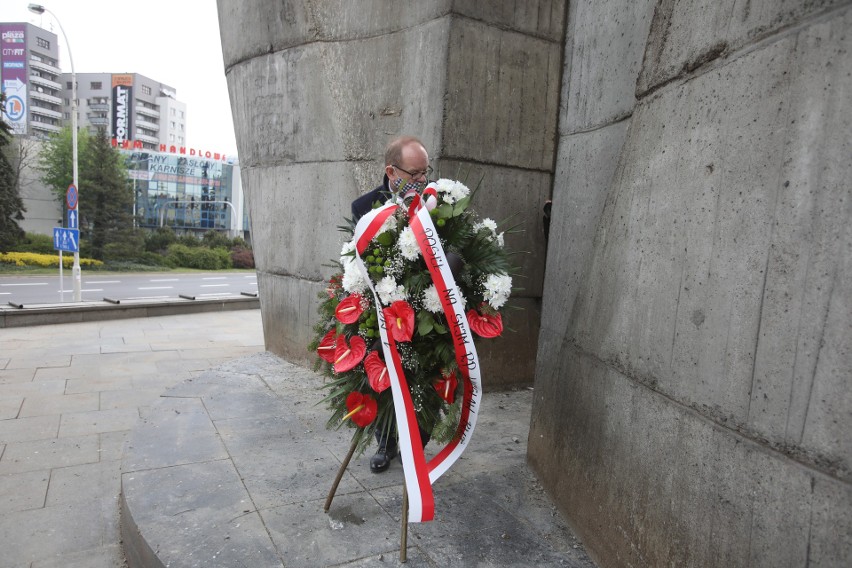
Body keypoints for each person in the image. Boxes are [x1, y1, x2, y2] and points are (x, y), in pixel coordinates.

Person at [351, 135, 433, 473]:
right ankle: (385, 442)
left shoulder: (435, 199)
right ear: (391, 171)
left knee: (424, 377)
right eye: (414, 174)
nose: (422, 181)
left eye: (425, 172)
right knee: (383, 376)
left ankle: (419, 439)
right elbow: (357, 259)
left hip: (426, 310)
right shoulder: (364, 207)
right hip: (383, 310)